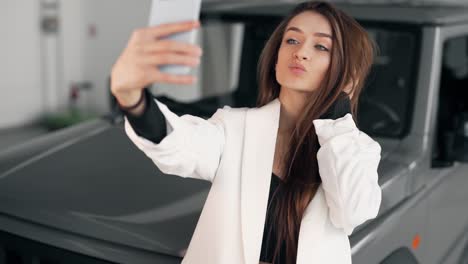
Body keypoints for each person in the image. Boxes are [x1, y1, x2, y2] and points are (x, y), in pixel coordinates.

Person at [110, 1, 382, 263]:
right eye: (291, 40)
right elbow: (179, 145)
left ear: (347, 74)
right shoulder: (234, 127)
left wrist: (336, 119)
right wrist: (133, 99)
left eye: (321, 46)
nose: (300, 52)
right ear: (276, 59)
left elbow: (353, 213)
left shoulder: (356, 148)